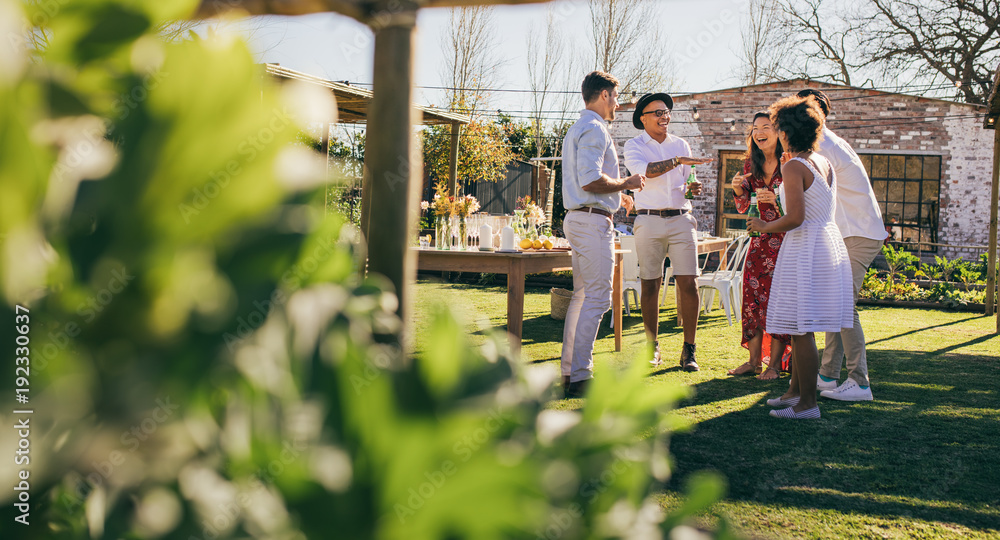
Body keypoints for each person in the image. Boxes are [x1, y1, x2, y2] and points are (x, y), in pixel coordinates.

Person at [747, 95, 853, 419]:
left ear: (786, 131)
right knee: (798, 324)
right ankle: (794, 393)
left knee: (801, 326)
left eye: (776, 127)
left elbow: (795, 217)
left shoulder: (793, 166)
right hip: (823, 243)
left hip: (805, 246)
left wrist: (764, 225)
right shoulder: (823, 163)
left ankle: (808, 404)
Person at [797, 88, 889, 402]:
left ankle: (860, 383)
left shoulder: (821, 146)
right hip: (856, 232)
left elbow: (812, 194)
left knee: (843, 307)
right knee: (836, 306)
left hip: (858, 234)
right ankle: (826, 376)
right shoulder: (829, 142)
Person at [561, 71, 644, 398]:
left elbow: (588, 182)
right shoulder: (595, 129)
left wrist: (616, 197)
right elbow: (590, 180)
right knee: (598, 297)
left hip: (579, 217)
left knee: (582, 296)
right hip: (592, 223)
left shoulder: (576, 128)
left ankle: (571, 372)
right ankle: (582, 376)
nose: (619, 104)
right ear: (605, 95)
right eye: (616, 96)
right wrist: (627, 183)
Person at [623, 93, 713, 371]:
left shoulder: (680, 144)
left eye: (667, 112)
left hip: (681, 219)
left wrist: (692, 189)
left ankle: (689, 350)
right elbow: (646, 172)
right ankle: (652, 347)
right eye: (658, 112)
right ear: (643, 118)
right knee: (650, 283)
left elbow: (686, 183)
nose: (665, 116)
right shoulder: (634, 145)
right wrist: (678, 161)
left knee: (689, 283)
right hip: (648, 220)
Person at [727, 112, 793, 380]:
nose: (760, 132)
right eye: (755, 128)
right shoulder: (749, 164)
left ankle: (774, 365)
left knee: (779, 304)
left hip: (786, 244)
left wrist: (776, 201)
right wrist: (739, 191)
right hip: (758, 245)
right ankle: (753, 362)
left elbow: (798, 209)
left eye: (766, 127)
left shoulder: (790, 163)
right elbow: (745, 207)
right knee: (752, 303)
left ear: (778, 133)